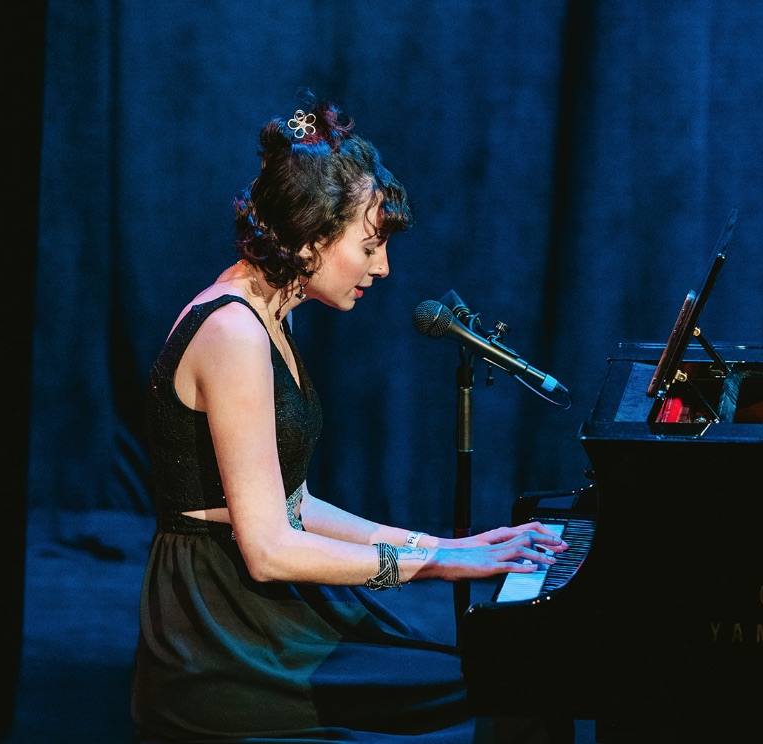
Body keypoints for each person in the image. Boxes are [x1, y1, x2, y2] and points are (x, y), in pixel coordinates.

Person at [130, 92, 565, 744]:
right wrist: (436, 561)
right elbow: (270, 549)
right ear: (310, 239)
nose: (383, 267)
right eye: (369, 246)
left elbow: (296, 504)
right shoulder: (233, 331)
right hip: (223, 637)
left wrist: (445, 548)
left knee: (510, 682)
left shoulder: (270, 313)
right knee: (501, 696)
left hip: (264, 613)